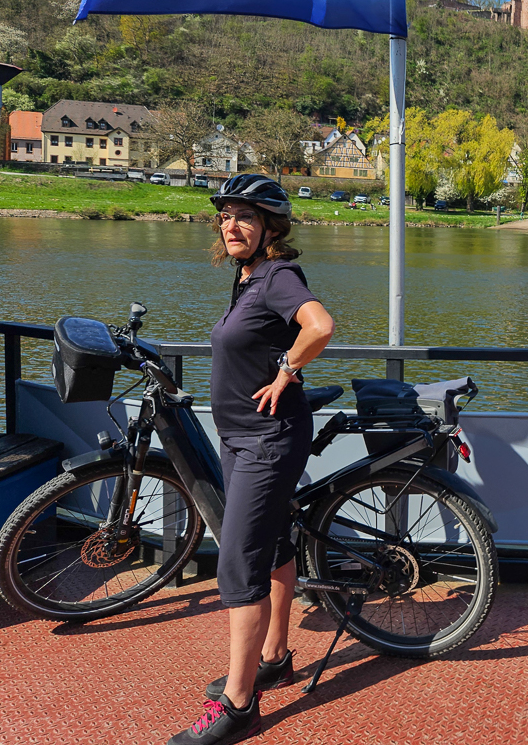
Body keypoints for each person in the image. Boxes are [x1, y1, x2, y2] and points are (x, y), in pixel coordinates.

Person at [170, 174, 335, 745]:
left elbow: (320, 326)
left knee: (239, 565)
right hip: (240, 437)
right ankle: (275, 658)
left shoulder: (277, 276)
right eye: (225, 216)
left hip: (268, 439)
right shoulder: (247, 278)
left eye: (245, 216)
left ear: (271, 226)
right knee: (275, 545)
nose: (231, 226)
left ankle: (240, 705)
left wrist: (287, 371)